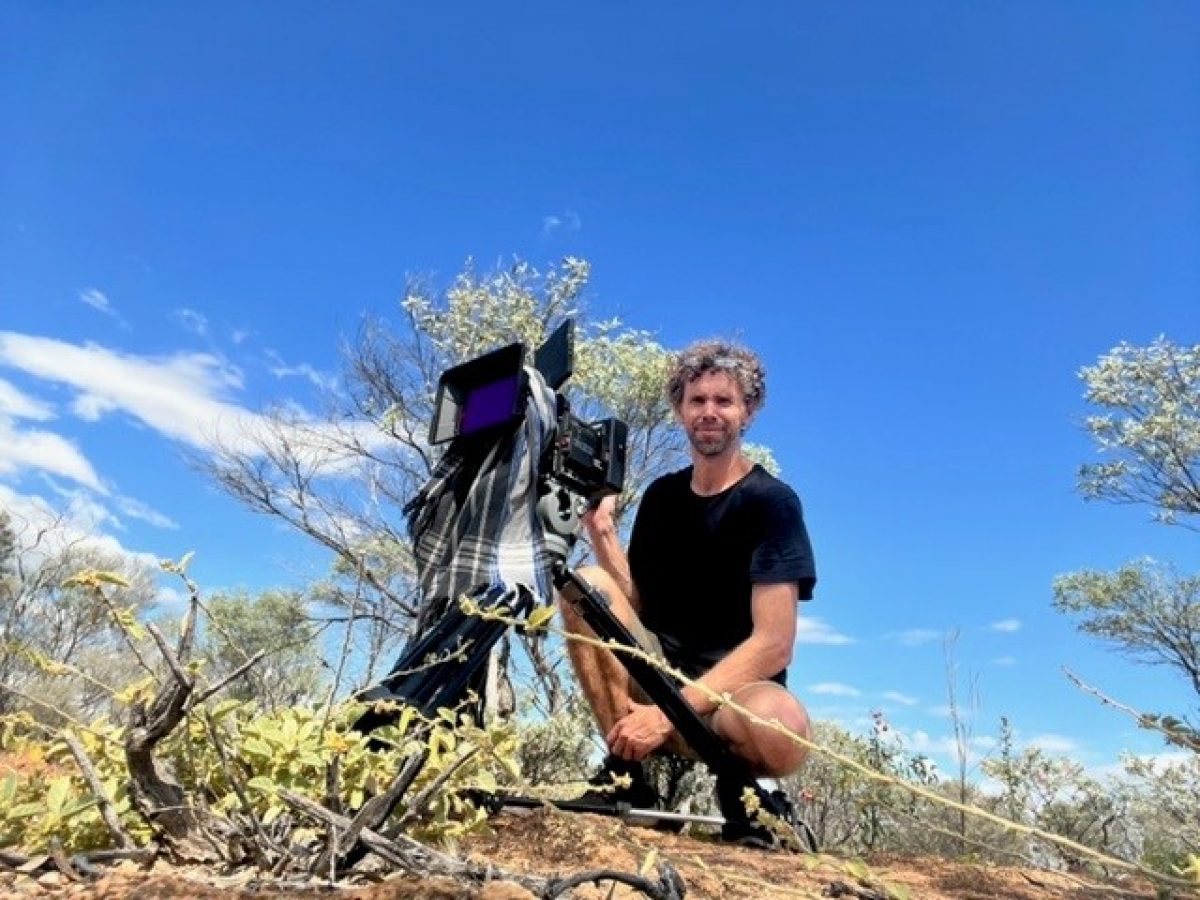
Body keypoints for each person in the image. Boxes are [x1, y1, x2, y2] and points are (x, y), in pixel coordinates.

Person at [557, 339, 817, 845]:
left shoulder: (772, 503)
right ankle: (627, 780)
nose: (710, 412)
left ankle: (740, 792)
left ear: (748, 412)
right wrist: (603, 532)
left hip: (728, 703)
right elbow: (637, 607)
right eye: (697, 401)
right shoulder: (662, 498)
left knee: (780, 727)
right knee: (586, 585)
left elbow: (773, 644)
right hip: (657, 679)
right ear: (680, 410)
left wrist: (668, 712)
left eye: (724, 401)